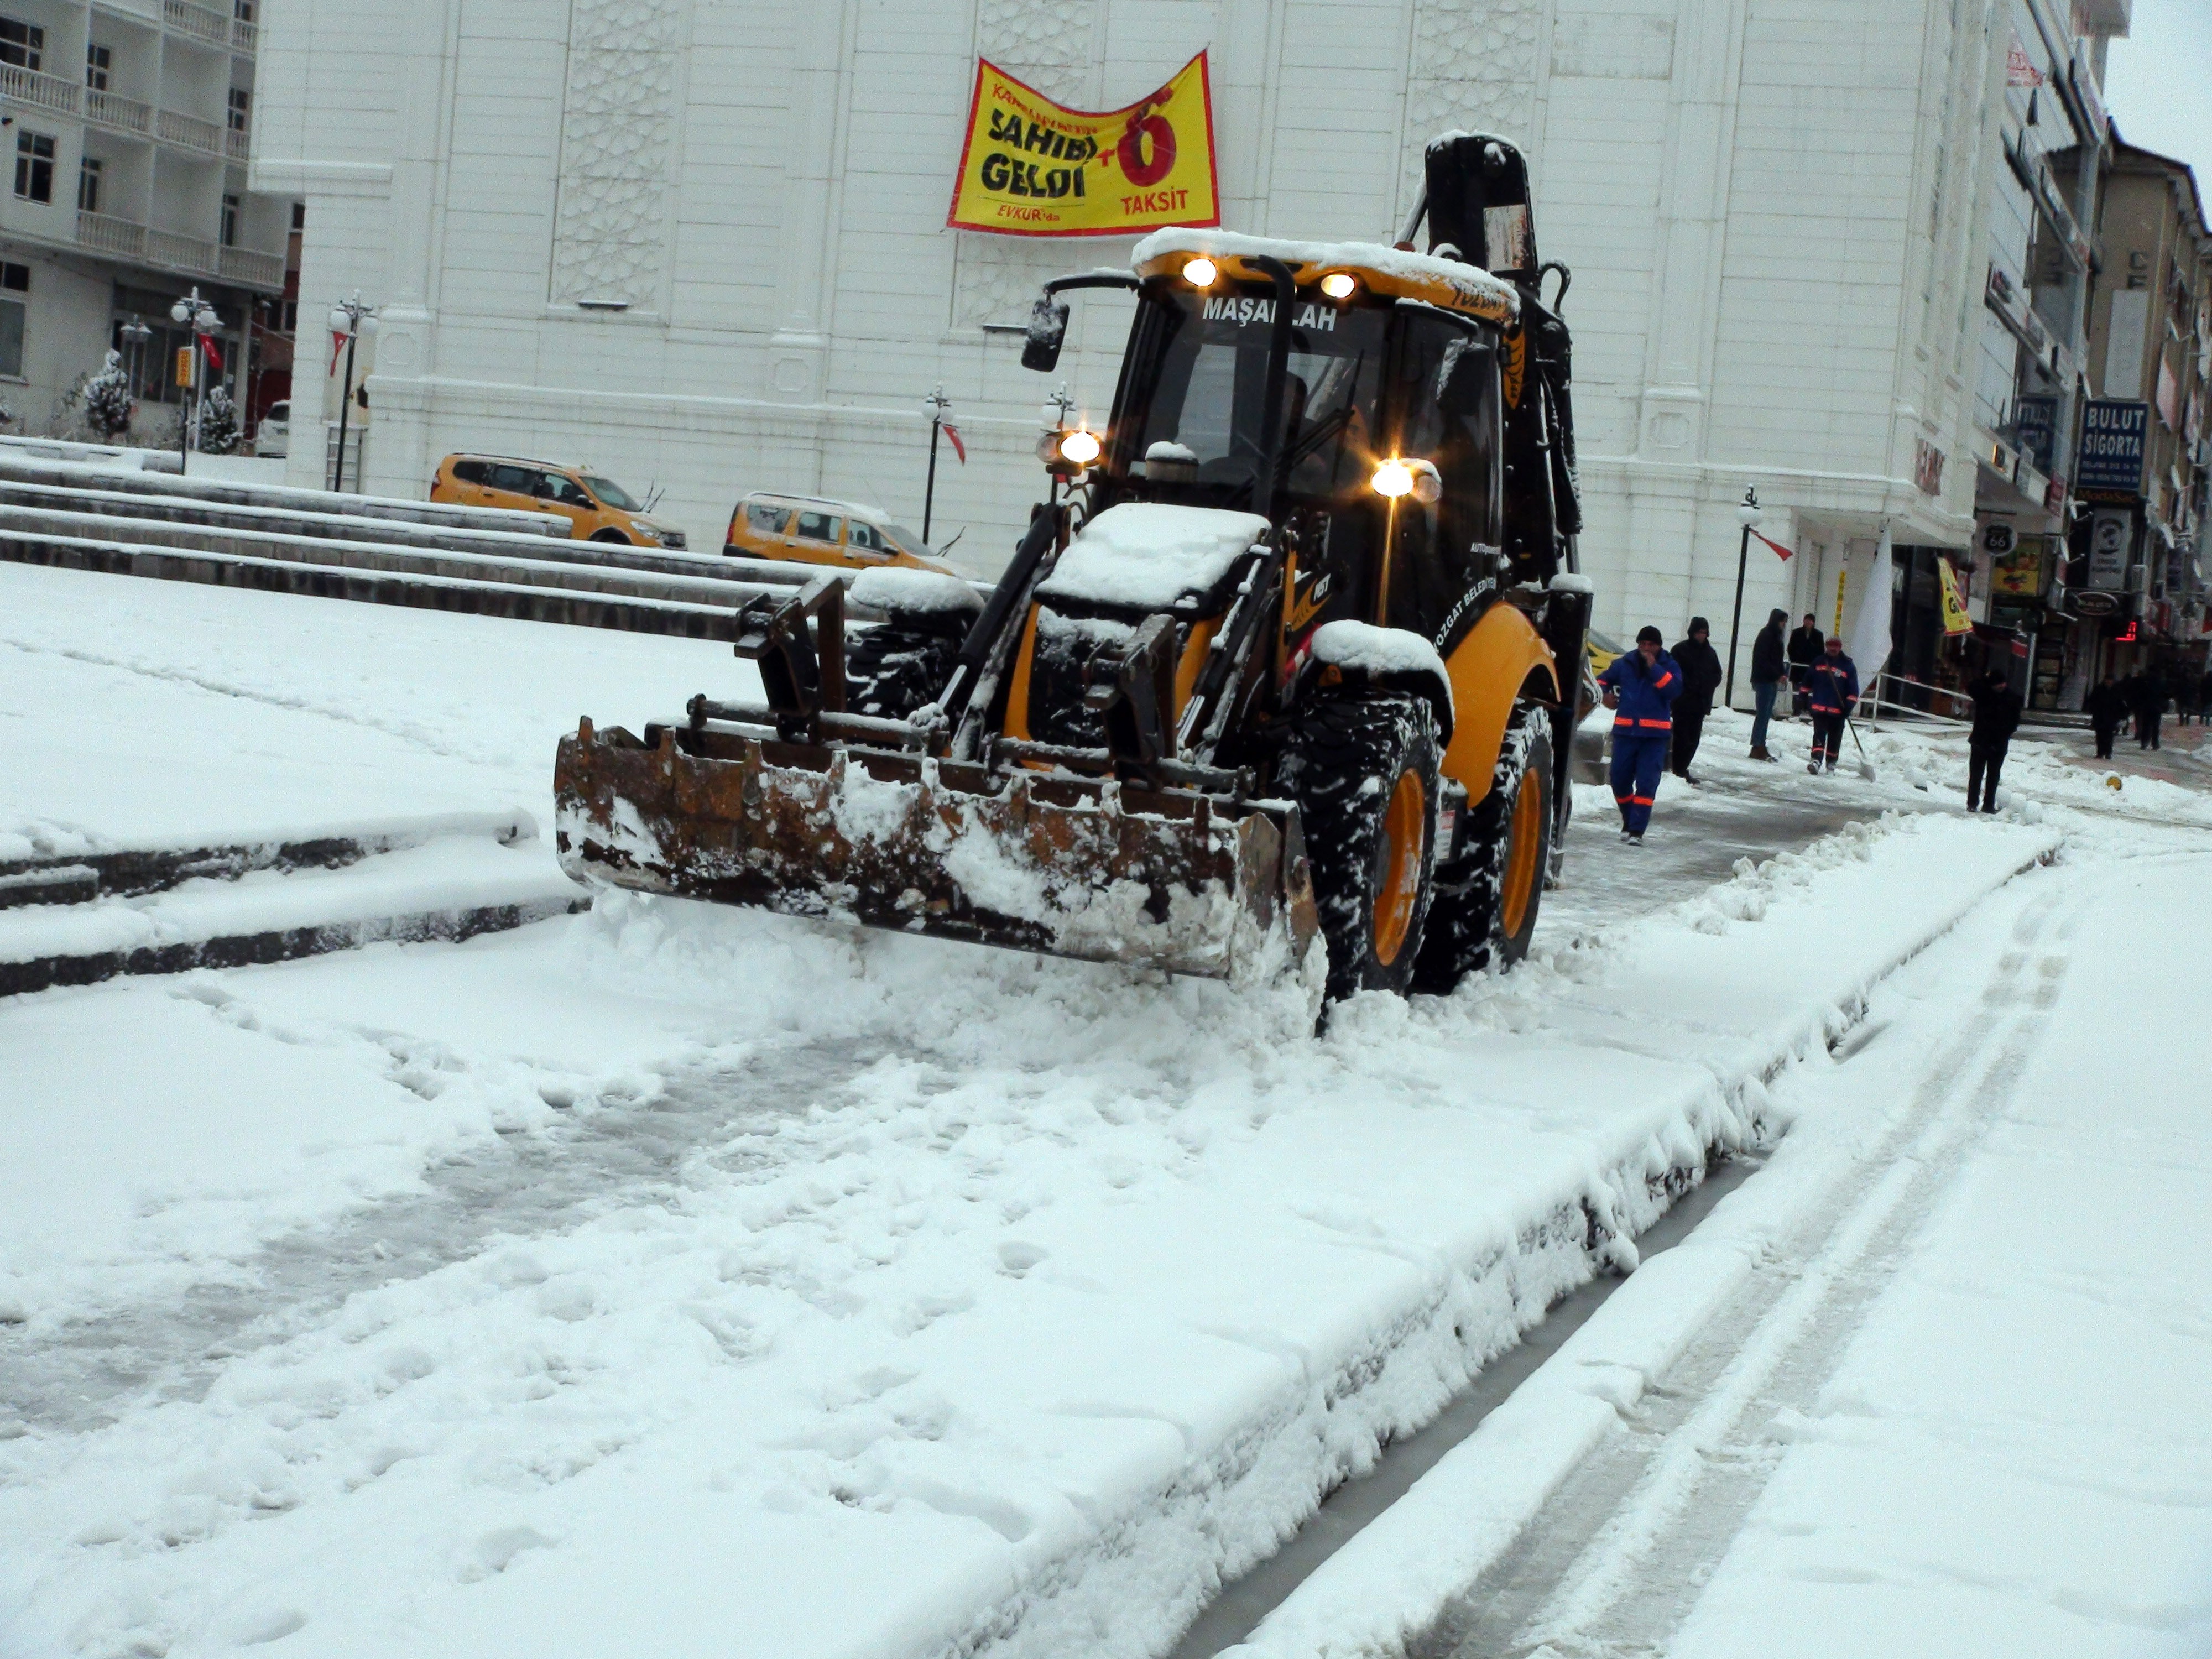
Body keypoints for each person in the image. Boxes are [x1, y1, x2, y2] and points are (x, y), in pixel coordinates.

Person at [1598, 625, 1681, 845]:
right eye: (1642, 644)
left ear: (1659, 646)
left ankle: (1637, 831)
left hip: (1654, 738)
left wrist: (1654, 669)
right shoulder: (1625, 663)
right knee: (1619, 780)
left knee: (1647, 783)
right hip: (1626, 734)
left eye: (1651, 645)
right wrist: (1604, 696)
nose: (1646, 649)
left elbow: (1673, 690)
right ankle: (1629, 818)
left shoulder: (1669, 665)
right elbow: (1600, 680)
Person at [1668, 617, 1723, 782]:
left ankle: (1683, 767)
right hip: (1683, 702)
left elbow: (1717, 674)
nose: (1702, 636)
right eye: (1699, 632)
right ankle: (1678, 768)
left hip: (1700, 702)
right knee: (1681, 737)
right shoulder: (1680, 651)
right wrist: (1689, 685)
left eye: (1704, 633)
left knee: (1694, 739)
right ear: (1692, 632)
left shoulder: (1710, 653)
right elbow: (1674, 672)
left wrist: (1707, 685)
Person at [1965, 667, 2023, 813]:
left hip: (1997, 743)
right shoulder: (1984, 694)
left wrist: (2004, 734)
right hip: (1981, 741)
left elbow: (2014, 722)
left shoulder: (2012, 698)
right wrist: (1986, 678)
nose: (2001, 686)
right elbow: (1971, 687)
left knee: (1993, 776)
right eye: (1998, 683)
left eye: (2003, 683)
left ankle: (1988, 805)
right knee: (1976, 775)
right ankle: (1973, 803)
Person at [1805, 634, 1859, 773]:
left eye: (1835, 646)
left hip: (1838, 711)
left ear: (1840, 648)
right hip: (1820, 709)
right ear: (1826, 646)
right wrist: (1805, 700)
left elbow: (1853, 691)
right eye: (1830, 645)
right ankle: (1816, 760)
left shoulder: (1848, 666)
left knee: (1835, 739)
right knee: (1819, 736)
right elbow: (1807, 682)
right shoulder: (1818, 662)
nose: (1832, 648)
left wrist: (1849, 706)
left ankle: (1831, 764)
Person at [1748, 608, 1787, 761]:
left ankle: (1760, 744)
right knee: (1763, 713)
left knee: (1766, 713)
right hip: (1764, 679)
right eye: (1782, 621)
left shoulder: (1775, 636)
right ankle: (1758, 745)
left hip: (1770, 679)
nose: (1783, 624)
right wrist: (1777, 674)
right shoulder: (1767, 636)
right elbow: (1762, 660)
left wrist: (1782, 673)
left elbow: (1777, 659)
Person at [1787, 614, 1823, 718]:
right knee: (1797, 690)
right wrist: (1795, 660)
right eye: (1807, 620)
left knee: (1811, 690)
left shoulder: (1818, 635)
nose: (1808, 623)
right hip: (1798, 667)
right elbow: (1791, 648)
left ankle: (1811, 711)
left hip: (1812, 668)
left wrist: (1816, 664)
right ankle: (1797, 710)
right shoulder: (1796, 633)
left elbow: (1821, 651)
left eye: (1811, 621)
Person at [2085, 672, 2127, 761]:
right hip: (2100, 716)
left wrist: (2122, 716)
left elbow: (2121, 703)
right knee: (2100, 735)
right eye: (2107, 680)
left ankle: (2108, 753)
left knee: (2109, 736)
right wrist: (2092, 709)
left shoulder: (2117, 690)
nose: (2109, 682)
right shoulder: (2098, 689)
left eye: (2110, 680)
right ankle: (2100, 752)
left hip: (2112, 717)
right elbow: (2092, 700)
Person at [2132, 668, 2166, 751]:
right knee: (2155, 727)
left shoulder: (2146, 683)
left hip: (2147, 707)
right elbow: (2164, 695)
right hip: (2157, 708)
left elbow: (2141, 695)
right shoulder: (2160, 683)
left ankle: (2144, 742)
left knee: (2146, 726)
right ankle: (2155, 743)